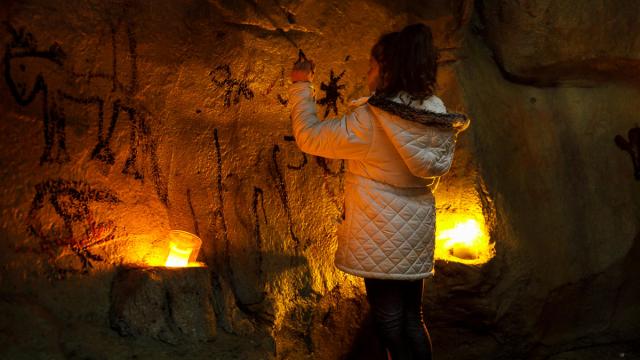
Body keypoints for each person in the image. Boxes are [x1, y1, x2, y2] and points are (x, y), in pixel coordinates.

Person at [288, 23, 470, 360]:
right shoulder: (435, 110)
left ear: (388, 69)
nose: (368, 72)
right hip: (416, 231)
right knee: (413, 319)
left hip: (379, 231)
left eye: (373, 65)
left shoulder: (373, 120)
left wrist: (302, 86)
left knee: (388, 319)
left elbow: (310, 137)